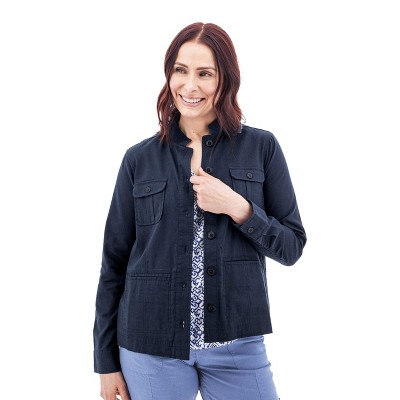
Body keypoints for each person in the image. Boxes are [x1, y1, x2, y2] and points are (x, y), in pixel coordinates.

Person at [93, 22, 307, 400]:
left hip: (237, 344)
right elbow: (114, 264)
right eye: (181, 70)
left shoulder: (262, 148)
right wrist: (105, 362)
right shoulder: (138, 159)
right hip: (150, 347)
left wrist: (239, 208)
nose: (190, 86)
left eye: (205, 73)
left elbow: (291, 247)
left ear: (226, 80)